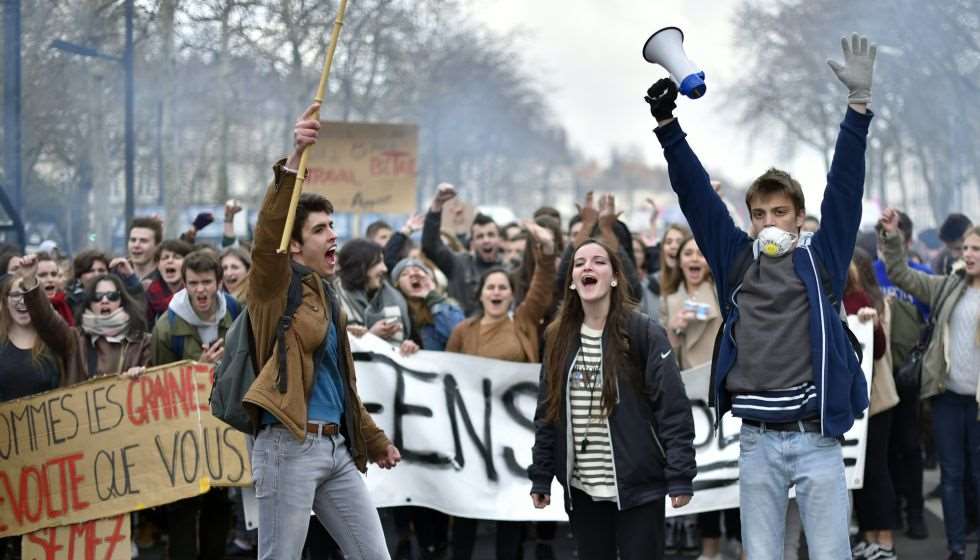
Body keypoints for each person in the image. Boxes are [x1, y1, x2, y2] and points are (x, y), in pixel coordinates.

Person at [645, 33, 876, 559]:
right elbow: (697, 197)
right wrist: (667, 126)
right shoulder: (736, 261)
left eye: (779, 212)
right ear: (749, 219)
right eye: (759, 214)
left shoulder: (822, 260)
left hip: (817, 438)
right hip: (757, 441)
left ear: (798, 217)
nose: (768, 222)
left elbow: (845, 190)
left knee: (831, 554)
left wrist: (858, 108)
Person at [242, 102, 400, 559]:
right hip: (287, 447)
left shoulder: (328, 297)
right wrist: (295, 158)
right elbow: (267, 237)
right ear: (294, 246)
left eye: (332, 226)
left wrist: (374, 440)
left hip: (336, 448)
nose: (333, 235)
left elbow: (340, 384)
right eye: (319, 229)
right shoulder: (273, 290)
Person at [529, 238, 696, 559]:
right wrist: (541, 475)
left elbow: (672, 408)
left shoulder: (644, 332)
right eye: (579, 263)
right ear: (572, 281)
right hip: (582, 493)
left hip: (640, 488)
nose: (587, 267)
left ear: (615, 277)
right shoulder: (557, 337)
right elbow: (547, 411)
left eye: (598, 261)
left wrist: (680, 475)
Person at [445, 220, 556, 560]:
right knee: (466, 508)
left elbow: (542, 286)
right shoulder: (463, 331)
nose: (496, 292)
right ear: (480, 293)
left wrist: (545, 251)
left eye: (502, 288)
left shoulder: (523, 323)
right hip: (473, 435)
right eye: (490, 287)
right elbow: (445, 378)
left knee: (510, 506)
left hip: (513, 434)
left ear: (511, 295)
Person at [879, 211, 980, 560]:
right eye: (966, 248)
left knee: (978, 477)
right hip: (948, 398)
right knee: (950, 476)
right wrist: (892, 238)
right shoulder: (948, 286)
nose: (968, 254)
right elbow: (901, 275)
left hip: (978, 404)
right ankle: (955, 548)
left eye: (976, 249)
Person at [658, 236, 737, 560]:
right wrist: (674, 329)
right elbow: (664, 358)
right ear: (678, 262)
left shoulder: (722, 293)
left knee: (732, 472)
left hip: (724, 397)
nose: (693, 259)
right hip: (691, 403)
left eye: (699, 254)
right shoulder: (669, 300)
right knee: (705, 473)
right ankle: (710, 546)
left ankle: (740, 543)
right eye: (687, 253)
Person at [387, 257, 465, 559]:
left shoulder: (447, 307)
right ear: (396, 284)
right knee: (408, 476)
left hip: (440, 412)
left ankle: (437, 543)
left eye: (420, 271)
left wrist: (433, 299)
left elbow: (457, 334)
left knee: (437, 477)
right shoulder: (390, 310)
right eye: (406, 272)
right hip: (404, 413)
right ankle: (409, 538)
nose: (415, 274)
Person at [873, 209, 932, 540]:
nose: (884, 246)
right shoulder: (870, 272)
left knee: (910, 445)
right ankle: (891, 511)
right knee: (885, 448)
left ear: (906, 241)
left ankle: (916, 513)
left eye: (890, 238)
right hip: (879, 375)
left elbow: (933, 324)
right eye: (881, 239)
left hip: (909, 375)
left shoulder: (920, 275)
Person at [844, 248, 898, 559]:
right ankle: (868, 535)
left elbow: (878, 351)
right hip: (852, 405)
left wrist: (872, 324)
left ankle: (885, 540)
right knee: (858, 473)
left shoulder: (866, 301)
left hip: (875, 400)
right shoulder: (831, 300)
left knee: (876, 470)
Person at [25, 267, 151, 383]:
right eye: (97, 297)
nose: (104, 301)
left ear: (121, 300)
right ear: (89, 302)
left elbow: (154, 378)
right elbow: (47, 321)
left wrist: (142, 372)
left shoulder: (142, 342)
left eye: (112, 296)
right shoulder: (74, 339)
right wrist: (30, 283)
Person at [423, 183, 503, 315]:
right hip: (464, 326)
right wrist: (437, 205)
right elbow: (431, 245)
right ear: (472, 242)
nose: (486, 240)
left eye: (491, 235)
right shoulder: (458, 264)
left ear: (500, 239)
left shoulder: (510, 269)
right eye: (480, 236)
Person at [337, 238, 411, 344]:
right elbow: (335, 346)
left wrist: (408, 346)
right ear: (360, 266)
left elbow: (401, 343)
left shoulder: (392, 296)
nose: (385, 268)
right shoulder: (333, 300)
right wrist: (371, 335)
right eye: (378, 262)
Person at [145, 239, 194, 324]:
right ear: (158, 265)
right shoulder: (150, 293)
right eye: (165, 258)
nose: (170, 261)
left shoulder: (194, 292)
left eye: (177, 257)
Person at [128, 216, 164, 285]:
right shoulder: (117, 276)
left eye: (143, 241)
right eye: (133, 240)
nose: (136, 245)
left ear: (157, 246)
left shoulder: (167, 279)